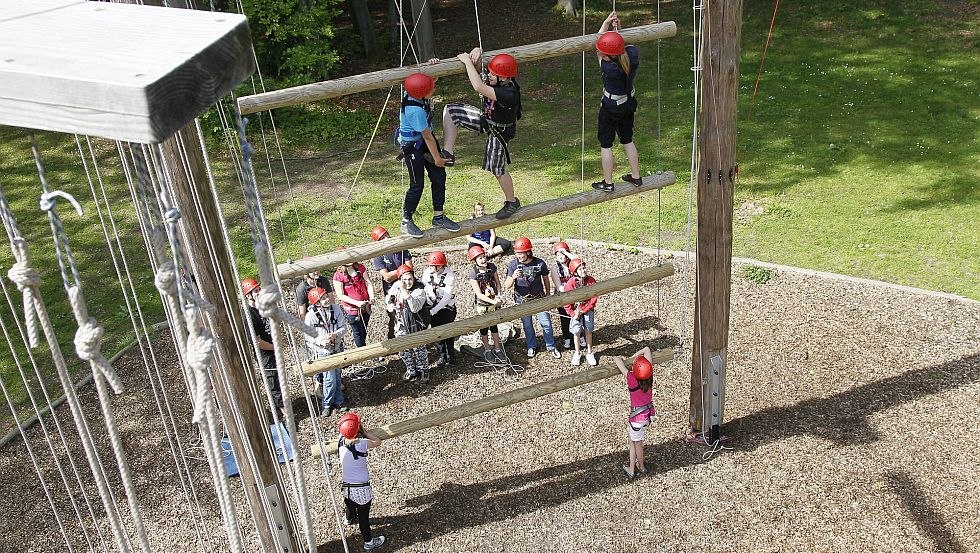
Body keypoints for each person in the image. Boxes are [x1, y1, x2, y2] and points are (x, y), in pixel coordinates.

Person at [443, 49, 523, 220]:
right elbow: (480, 75)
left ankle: (512, 202)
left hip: (499, 131)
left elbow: (478, 86)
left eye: (493, 73)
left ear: (505, 77)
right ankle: (448, 153)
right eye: (489, 71)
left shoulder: (509, 93)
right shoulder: (499, 80)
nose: (489, 75)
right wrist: (477, 54)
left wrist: (466, 62)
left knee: (497, 168)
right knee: (451, 110)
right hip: (487, 120)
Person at [396, 72, 460, 238]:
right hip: (413, 147)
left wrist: (434, 67)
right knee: (417, 184)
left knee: (439, 177)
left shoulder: (413, 90)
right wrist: (437, 158)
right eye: (431, 87)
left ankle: (439, 216)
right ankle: (406, 220)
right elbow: (427, 137)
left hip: (425, 141)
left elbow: (425, 80)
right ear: (421, 92)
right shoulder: (414, 111)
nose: (434, 88)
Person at [592, 12, 643, 192]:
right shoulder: (631, 56)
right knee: (627, 139)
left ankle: (608, 182)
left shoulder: (608, 67)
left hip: (611, 107)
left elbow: (598, 43)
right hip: (628, 104)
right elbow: (621, 45)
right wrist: (618, 30)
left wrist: (606, 23)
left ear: (606, 55)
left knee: (606, 144)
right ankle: (636, 176)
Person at [337, 413, 386, 551]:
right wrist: (365, 432)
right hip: (362, 489)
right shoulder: (362, 443)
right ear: (358, 429)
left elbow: (346, 433)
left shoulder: (340, 442)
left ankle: (348, 518)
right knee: (363, 517)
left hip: (347, 487)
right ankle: (368, 542)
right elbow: (378, 441)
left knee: (349, 502)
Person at [504, 237, 559, 359]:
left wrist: (548, 296)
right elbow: (507, 285)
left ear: (528, 252)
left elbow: (546, 279)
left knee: (546, 323)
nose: (519, 256)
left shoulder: (539, 263)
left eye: (521, 253)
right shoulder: (513, 265)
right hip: (522, 301)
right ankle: (531, 346)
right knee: (527, 325)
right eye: (517, 253)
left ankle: (551, 346)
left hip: (539, 298)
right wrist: (513, 277)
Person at [241, 278, 283, 420]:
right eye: (256, 291)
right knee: (273, 383)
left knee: (279, 378)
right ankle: (282, 412)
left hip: (273, 347)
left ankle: (283, 405)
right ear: (248, 296)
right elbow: (257, 342)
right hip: (265, 354)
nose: (260, 293)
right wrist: (275, 347)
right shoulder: (249, 316)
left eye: (259, 290)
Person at [304, 286, 348, 416]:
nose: (327, 299)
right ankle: (327, 404)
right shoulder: (311, 316)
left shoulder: (335, 309)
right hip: (323, 351)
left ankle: (339, 400)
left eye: (326, 297)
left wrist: (335, 335)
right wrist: (321, 341)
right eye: (323, 299)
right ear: (316, 303)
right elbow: (308, 336)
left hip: (337, 347)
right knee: (329, 379)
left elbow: (343, 327)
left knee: (337, 375)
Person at [613, 347, 655, 478]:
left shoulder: (632, 379)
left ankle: (639, 467)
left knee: (636, 444)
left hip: (637, 419)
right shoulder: (649, 377)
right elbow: (647, 349)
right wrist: (636, 357)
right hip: (648, 415)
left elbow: (617, 361)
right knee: (634, 441)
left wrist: (626, 359)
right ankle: (633, 466)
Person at [385, 264, 431, 384]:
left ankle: (424, 371)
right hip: (400, 324)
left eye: (410, 279)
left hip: (415, 324)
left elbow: (414, 307)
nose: (407, 282)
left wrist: (404, 290)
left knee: (419, 349)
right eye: (404, 280)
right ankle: (411, 369)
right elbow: (389, 296)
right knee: (403, 349)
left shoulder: (420, 290)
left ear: (414, 278)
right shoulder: (397, 285)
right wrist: (390, 304)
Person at [370, 225, 412, 339]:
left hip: (408, 284)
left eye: (386, 235)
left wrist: (398, 272)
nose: (386, 239)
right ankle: (393, 340)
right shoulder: (379, 256)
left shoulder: (401, 248)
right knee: (394, 315)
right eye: (382, 238)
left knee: (411, 312)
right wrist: (402, 270)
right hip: (391, 289)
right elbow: (387, 277)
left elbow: (410, 268)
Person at [467, 245, 506, 363]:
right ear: (475, 261)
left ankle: (498, 349)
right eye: (480, 258)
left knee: (494, 326)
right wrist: (493, 301)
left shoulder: (492, 268)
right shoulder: (473, 274)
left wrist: (498, 295)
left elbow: (498, 283)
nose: (483, 260)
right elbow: (478, 294)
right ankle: (487, 349)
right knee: (484, 327)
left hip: (494, 301)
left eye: (484, 257)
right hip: (482, 304)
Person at [421, 250, 457, 368]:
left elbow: (446, 298)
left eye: (433, 265)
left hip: (447, 308)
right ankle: (442, 355)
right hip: (432, 305)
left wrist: (433, 311)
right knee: (437, 333)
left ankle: (451, 356)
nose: (430, 267)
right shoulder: (427, 273)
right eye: (430, 265)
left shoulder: (449, 276)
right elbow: (424, 287)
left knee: (448, 332)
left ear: (440, 266)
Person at [332, 252, 375, 348]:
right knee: (357, 332)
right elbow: (340, 295)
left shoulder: (360, 268)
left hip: (365, 306)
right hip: (352, 310)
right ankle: (362, 350)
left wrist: (371, 297)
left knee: (364, 329)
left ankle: (364, 347)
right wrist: (356, 303)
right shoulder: (338, 276)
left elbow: (368, 283)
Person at [562, 258, 598, 366]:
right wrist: (573, 313)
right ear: (575, 272)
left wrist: (585, 309)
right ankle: (577, 353)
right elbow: (566, 299)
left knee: (588, 329)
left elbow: (594, 297)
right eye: (581, 269)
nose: (584, 270)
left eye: (584, 268)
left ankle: (589, 352)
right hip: (576, 310)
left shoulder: (591, 280)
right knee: (576, 331)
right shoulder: (571, 283)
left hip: (587, 310)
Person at [550, 241, 577, 350]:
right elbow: (559, 286)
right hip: (562, 295)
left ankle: (580, 335)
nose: (561, 256)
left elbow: (578, 260)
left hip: (575, 294)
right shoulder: (555, 267)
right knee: (565, 317)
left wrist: (566, 252)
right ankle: (567, 337)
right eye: (558, 254)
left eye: (562, 254)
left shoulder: (572, 264)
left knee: (577, 316)